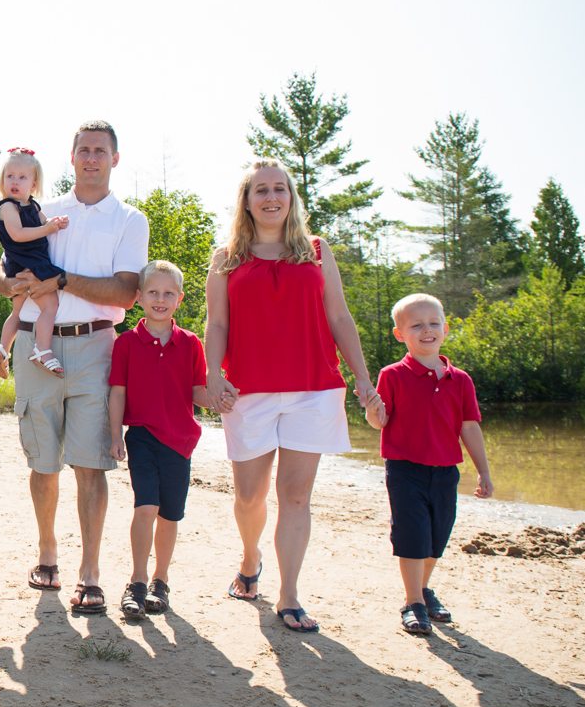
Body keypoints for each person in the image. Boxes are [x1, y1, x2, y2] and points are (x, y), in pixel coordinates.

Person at [203, 158, 380, 634]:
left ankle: (289, 595)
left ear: (291, 197)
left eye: (279, 189)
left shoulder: (316, 251)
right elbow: (216, 324)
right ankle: (250, 557)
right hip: (248, 391)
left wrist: (363, 378)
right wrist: (213, 375)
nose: (271, 197)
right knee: (249, 496)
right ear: (246, 200)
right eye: (261, 190)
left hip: (313, 389)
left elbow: (339, 316)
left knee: (296, 496)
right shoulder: (226, 258)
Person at [0, 122, 147, 612]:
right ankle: (47, 553)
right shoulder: (42, 210)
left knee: (90, 464)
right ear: (72, 156)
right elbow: (1, 271)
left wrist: (59, 279)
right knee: (42, 462)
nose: (91, 158)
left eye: (101, 151)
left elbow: (125, 292)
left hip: (96, 347)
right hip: (35, 346)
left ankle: (90, 573)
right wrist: (10, 284)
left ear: (115, 159)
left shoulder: (129, 219)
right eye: (84, 150)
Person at [365, 293, 493, 635]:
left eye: (434, 323)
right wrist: (373, 411)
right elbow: (380, 422)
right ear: (400, 334)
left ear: (445, 329)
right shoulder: (392, 375)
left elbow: (469, 426)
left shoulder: (460, 380)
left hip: (446, 470)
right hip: (405, 469)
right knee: (412, 535)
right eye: (417, 325)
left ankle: (423, 588)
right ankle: (413, 602)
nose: (427, 330)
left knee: (437, 536)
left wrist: (483, 471)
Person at [106, 261, 210, 618]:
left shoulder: (191, 343)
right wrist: (115, 434)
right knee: (146, 506)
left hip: (180, 441)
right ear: (139, 297)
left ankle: (160, 582)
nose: (160, 300)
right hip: (142, 436)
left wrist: (221, 397)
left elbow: (198, 391)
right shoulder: (126, 343)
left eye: (168, 294)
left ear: (179, 299)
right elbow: (117, 392)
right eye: (153, 292)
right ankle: (136, 581)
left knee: (169, 514)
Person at [0, 147, 70, 378]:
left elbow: (44, 223)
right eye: (10, 176)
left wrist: (55, 223)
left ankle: (3, 349)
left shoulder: (33, 206)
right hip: (27, 262)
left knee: (18, 311)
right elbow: (18, 234)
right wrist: (48, 229)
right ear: (2, 180)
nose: (15, 181)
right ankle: (42, 350)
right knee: (50, 306)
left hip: (27, 261)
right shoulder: (7, 206)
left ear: (34, 184)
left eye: (22, 177)